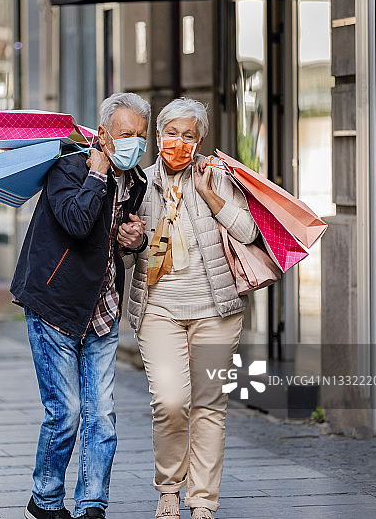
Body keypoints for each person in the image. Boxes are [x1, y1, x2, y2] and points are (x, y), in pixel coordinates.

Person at [10, 93, 151, 519]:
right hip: (55, 305)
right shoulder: (66, 168)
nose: (135, 144)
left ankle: (92, 502)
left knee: (102, 415)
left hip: (102, 307)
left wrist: (136, 241)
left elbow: (118, 241)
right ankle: (46, 497)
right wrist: (97, 176)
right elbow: (75, 222)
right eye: (127, 135)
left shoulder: (137, 182)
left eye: (142, 137)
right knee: (67, 411)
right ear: (104, 134)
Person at [118, 98, 258, 519]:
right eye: (172, 133)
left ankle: (202, 501)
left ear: (200, 139)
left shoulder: (216, 176)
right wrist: (130, 241)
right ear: (158, 136)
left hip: (217, 308)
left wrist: (209, 195)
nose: (179, 142)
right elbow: (124, 257)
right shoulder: (138, 183)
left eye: (189, 135)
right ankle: (168, 488)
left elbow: (248, 231)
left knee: (210, 404)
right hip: (159, 308)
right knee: (171, 402)